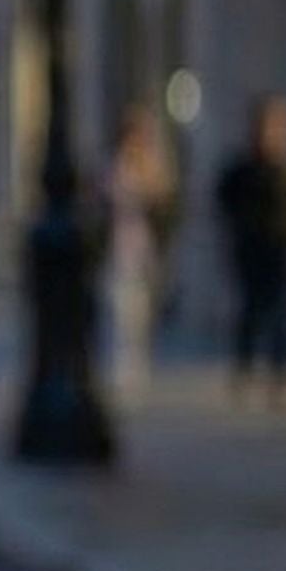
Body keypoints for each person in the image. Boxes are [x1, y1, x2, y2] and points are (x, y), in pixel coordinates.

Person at [214, 94, 286, 406]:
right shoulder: (244, 170)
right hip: (251, 252)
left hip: (282, 251)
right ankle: (245, 369)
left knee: (283, 314)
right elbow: (224, 200)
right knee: (250, 312)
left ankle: (280, 375)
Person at [101, 105, 177, 402]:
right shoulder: (114, 166)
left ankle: (138, 370)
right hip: (118, 251)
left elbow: (164, 204)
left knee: (142, 314)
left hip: (146, 251)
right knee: (121, 311)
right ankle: (122, 373)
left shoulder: (153, 166)